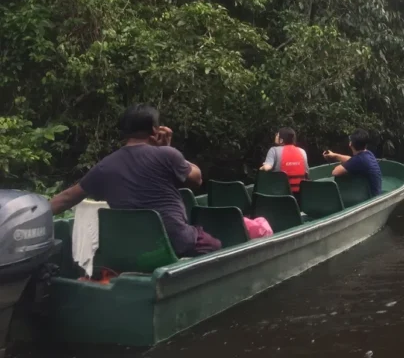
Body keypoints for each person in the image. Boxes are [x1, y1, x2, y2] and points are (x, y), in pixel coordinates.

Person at [50, 104, 222, 256]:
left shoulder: (105, 166)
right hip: (176, 243)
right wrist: (166, 148)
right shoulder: (168, 154)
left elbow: (67, 198)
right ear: (155, 130)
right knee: (215, 246)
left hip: (132, 248)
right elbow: (197, 178)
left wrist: (32, 214)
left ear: (124, 132)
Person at [322, 128, 382, 196]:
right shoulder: (368, 154)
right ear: (365, 145)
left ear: (350, 144)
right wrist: (334, 155)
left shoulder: (358, 160)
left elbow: (335, 172)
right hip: (376, 194)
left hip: (371, 197)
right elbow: (351, 160)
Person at [259, 127, 309, 194]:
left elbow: (267, 167)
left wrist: (261, 168)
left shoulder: (273, 150)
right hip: (301, 194)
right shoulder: (302, 151)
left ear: (281, 140)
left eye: (277, 135)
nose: (276, 136)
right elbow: (306, 172)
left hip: (281, 194)